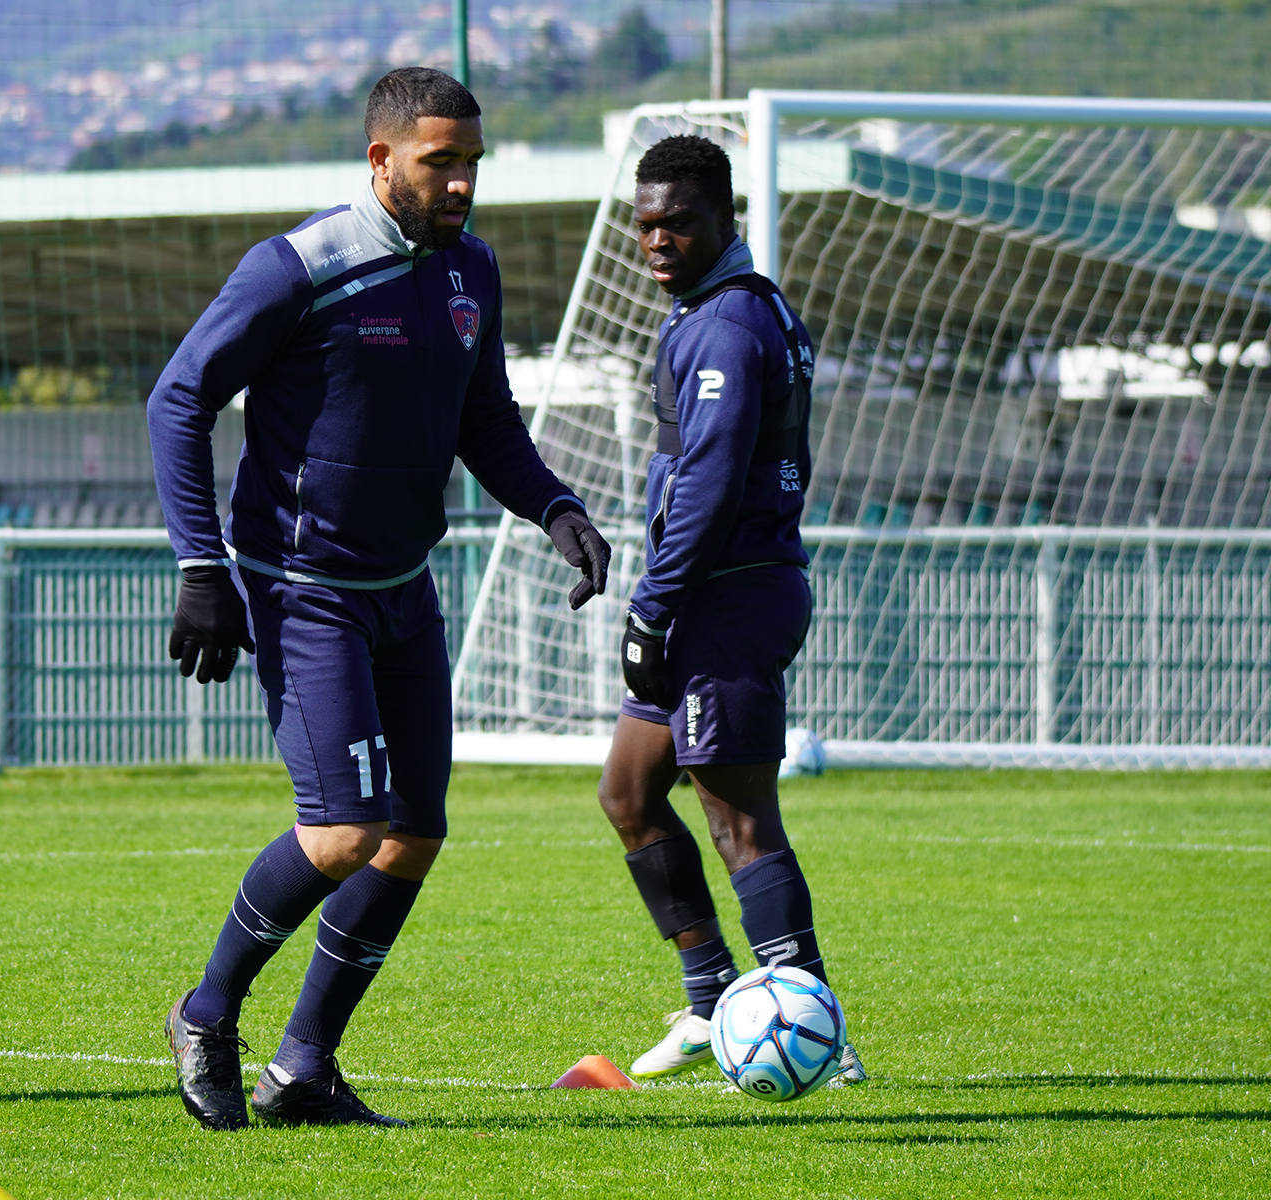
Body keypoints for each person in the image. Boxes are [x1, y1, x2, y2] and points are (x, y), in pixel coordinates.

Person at [147, 66, 611, 1131]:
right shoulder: (296, 268)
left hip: (404, 588)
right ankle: (206, 1010)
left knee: (412, 834)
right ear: (380, 159)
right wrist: (200, 567)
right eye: (438, 163)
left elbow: (484, 419)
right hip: (304, 590)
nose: (459, 186)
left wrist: (554, 509)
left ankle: (303, 1069)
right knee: (345, 831)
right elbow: (179, 400)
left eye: (471, 166)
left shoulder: (469, 274)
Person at [596, 135, 864, 1085]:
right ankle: (713, 1002)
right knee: (629, 793)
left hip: (728, 596)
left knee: (737, 815)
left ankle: (822, 1039)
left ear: (726, 221)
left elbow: (708, 482)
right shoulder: (727, 311)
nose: (659, 241)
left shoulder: (725, 325)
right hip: (711, 593)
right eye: (648, 225)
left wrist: (651, 609)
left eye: (681, 223)